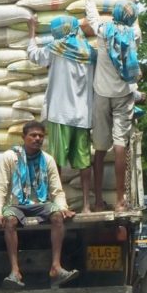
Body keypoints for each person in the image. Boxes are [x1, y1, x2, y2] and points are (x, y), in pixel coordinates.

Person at [0, 121, 78, 289]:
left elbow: (56, 190)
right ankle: (15, 271)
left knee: (58, 216)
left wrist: (63, 207)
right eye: (33, 135)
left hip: (40, 203)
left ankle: (56, 267)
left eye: (40, 136)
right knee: (9, 221)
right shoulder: (11, 157)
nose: (37, 139)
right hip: (16, 204)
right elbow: (0, 187)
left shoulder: (48, 159)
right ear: (24, 138)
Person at [85, 0, 145, 212]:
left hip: (101, 93)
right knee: (120, 143)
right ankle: (120, 200)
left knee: (99, 147)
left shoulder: (102, 30)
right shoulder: (135, 34)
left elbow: (90, 10)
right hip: (123, 96)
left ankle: (98, 199)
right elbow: (136, 19)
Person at [26, 13, 96, 213]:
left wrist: (32, 29)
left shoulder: (56, 48)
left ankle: (57, 203)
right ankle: (86, 205)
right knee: (84, 162)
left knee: (55, 161)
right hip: (83, 116)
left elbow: (34, 55)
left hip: (60, 114)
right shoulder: (90, 52)